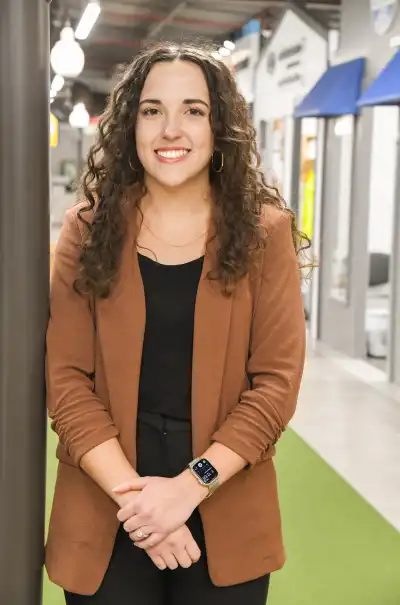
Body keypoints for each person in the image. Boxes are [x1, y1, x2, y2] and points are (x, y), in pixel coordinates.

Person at [45, 41, 307, 605]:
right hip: (108, 499)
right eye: (151, 110)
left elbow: (276, 385)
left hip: (224, 495)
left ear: (220, 128)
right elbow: (66, 382)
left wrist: (188, 490)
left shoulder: (267, 234)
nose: (171, 129)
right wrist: (140, 504)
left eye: (193, 110)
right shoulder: (85, 231)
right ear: (130, 126)